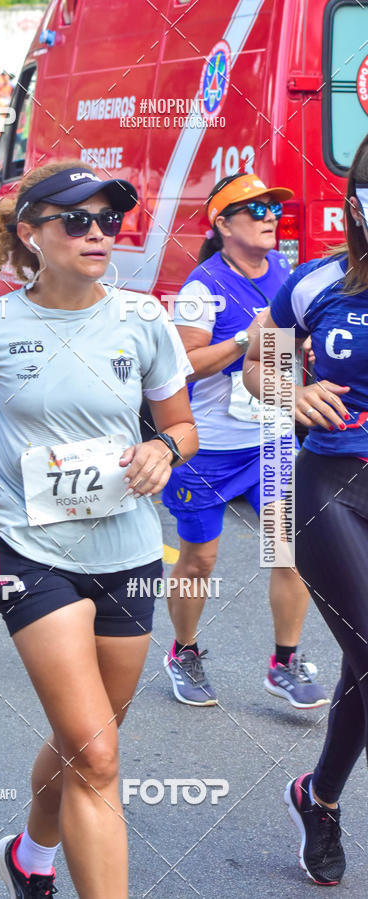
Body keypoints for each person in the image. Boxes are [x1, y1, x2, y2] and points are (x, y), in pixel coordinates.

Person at [0, 160, 198, 898]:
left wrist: (161, 449)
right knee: (100, 754)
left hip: (130, 546)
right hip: (24, 544)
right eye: (76, 220)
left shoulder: (145, 320)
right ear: (32, 233)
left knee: (87, 742)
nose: (98, 233)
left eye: (109, 220)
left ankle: (30, 856)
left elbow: (180, 425)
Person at [244, 136, 368, 887]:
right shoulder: (317, 281)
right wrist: (291, 393)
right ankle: (320, 799)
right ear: (356, 203)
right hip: (331, 487)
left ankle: (317, 796)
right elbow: (258, 362)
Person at [160, 173, 328, 709]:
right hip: (209, 447)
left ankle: (284, 661)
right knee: (199, 559)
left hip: (272, 442)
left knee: (290, 551)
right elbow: (183, 365)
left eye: (272, 209)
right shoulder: (200, 287)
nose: (269, 217)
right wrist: (241, 338)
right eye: (254, 210)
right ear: (222, 223)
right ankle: (183, 651)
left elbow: (296, 337)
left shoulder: (287, 273)